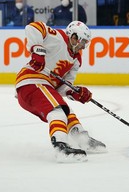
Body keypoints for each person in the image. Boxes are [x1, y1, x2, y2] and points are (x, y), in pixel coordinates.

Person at [15, 21, 106, 162]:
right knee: (57, 111)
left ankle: (81, 138)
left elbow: (64, 86)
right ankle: (60, 146)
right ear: (74, 37)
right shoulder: (58, 37)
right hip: (31, 82)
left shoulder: (76, 60)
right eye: (82, 42)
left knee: (66, 111)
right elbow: (33, 27)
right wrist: (37, 49)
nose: (83, 46)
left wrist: (75, 92)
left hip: (45, 86)